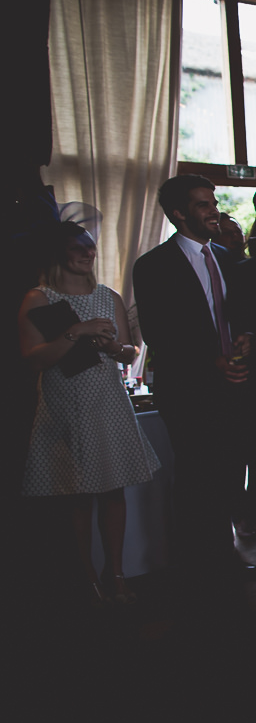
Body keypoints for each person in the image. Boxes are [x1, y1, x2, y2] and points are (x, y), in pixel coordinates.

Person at [19, 220, 160, 606]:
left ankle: (116, 574)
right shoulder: (39, 297)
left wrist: (113, 346)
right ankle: (86, 579)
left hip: (107, 400)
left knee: (114, 491)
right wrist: (74, 332)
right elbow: (32, 359)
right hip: (65, 403)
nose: (87, 253)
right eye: (77, 248)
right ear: (58, 254)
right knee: (77, 494)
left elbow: (130, 353)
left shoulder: (108, 295)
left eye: (89, 247)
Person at [133, 175, 256, 586]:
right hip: (189, 390)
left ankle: (224, 558)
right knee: (195, 479)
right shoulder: (153, 265)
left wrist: (248, 336)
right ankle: (195, 569)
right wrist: (212, 361)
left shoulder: (227, 258)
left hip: (234, 386)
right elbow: (159, 332)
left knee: (227, 476)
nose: (214, 211)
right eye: (204, 204)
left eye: (214, 202)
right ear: (178, 214)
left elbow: (243, 313)